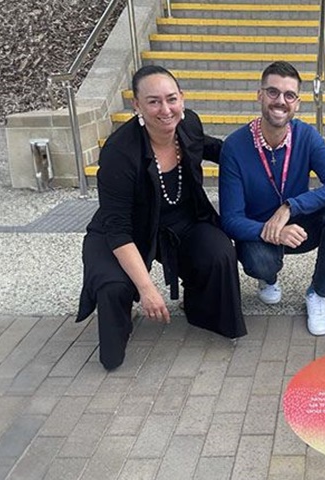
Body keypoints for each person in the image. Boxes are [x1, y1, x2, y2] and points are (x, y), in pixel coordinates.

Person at [76, 65, 245, 371]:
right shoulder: (118, 152)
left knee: (219, 252)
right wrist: (147, 289)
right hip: (125, 229)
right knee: (115, 286)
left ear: (182, 98)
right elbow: (117, 229)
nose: (165, 109)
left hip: (182, 218)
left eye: (171, 99)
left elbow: (216, 149)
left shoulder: (188, 124)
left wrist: (263, 157)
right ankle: (119, 332)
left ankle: (200, 309)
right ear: (137, 105)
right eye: (153, 101)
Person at [219, 61, 325, 336]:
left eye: (289, 95)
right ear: (259, 95)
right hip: (260, 232)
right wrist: (273, 233)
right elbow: (231, 220)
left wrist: (291, 206)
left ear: (298, 103)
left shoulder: (306, 136)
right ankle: (268, 279)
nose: (280, 101)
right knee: (260, 263)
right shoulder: (234, 146)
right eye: (272, 92)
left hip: (298, 227)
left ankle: (318, 293)